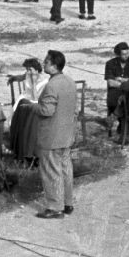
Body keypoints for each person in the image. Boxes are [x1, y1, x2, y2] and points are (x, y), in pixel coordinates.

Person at [34, 50, 76, 219]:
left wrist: (32, 107)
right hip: (66, 134)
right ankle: (67, 203)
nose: (43, 64)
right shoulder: (69, 81)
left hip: (52, 136)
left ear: (53, 65)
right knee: (66, 169)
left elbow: (47, 110)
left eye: (46, 62)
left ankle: (54, 207)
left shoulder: (52, 85)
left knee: (51, 171)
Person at [6, 58, 49, 161]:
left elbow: (35, 97)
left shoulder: (44, 81)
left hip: (35, 101)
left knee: (29, 112)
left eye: (30, 69)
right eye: (27, 69)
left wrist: (34, 82)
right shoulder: (27, 75)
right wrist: (13, 78)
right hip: (24, 98)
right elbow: (21, 77)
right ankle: (17, 142)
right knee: (13, 116)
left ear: (37, 69)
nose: (28, 71)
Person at [104, 42, 129, 137]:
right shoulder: (110, 64)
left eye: (127, 53)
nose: (126, 56)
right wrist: (127, 83)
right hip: (114, 93)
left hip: (128, 93)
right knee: (117, 101)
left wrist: (121, 79)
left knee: (127, 101)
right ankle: (122, 128)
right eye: (124, 54)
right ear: (117, 54)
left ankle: (121, 127)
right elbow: (111, 83)